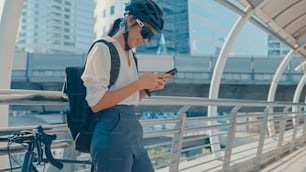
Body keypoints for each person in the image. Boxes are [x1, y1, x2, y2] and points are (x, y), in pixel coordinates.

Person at [81, 0, 172, 171]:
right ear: (131, 21)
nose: (145, 40)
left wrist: (147, 88)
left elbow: (130, 99)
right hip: (111, 135)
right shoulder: (103, 49)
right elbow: (96, 103)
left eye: (150, 37)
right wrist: (139, 83)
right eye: (145, 32)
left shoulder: (131, 56)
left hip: (133, 133)